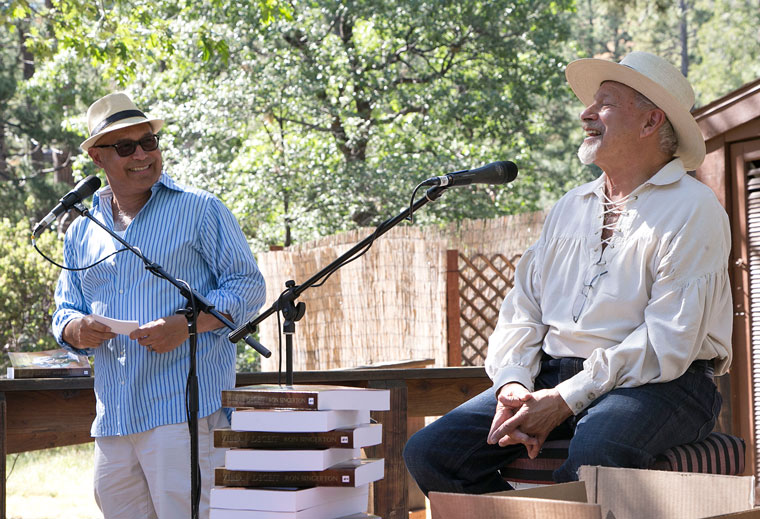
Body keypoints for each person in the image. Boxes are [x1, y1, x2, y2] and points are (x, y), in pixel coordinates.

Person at [403, 51, 732, 495]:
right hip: (552, 376)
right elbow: (523, 309)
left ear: (651, 122)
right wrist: (514, 384)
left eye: (606, 104)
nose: (586, 114)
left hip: (664, 382)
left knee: (596, 451)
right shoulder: (570, 206)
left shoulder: (694, 208)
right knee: (430, 452)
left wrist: (563, 400)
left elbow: (667, 342)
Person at [52, 92, 266, 518]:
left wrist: (186, 324)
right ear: (98, 158)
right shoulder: (82, 231)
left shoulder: (201, 209)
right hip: (114, 415)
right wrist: (76, 330)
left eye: (148, 142)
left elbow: (248, 286)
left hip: (181, 409)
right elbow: (64, 310)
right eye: (125, 147)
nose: (142, 155)